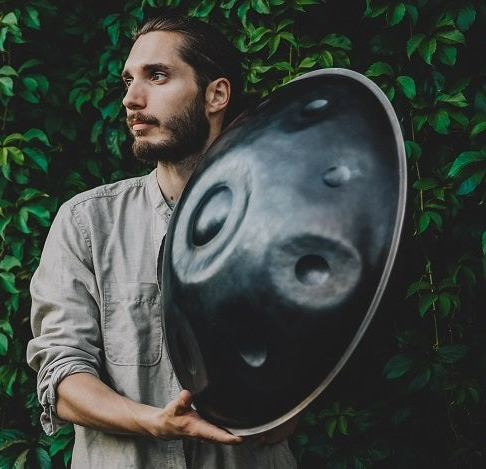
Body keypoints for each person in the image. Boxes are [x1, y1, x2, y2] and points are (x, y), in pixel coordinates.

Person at [26, 15, 298, 468]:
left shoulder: (279, 220)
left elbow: (303, 374)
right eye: (128, 81)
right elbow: (61, 379)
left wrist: (278, 414)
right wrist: (154, 421)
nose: (132, 99)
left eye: (157, 76)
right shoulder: (87, 222)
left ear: (216, 94)